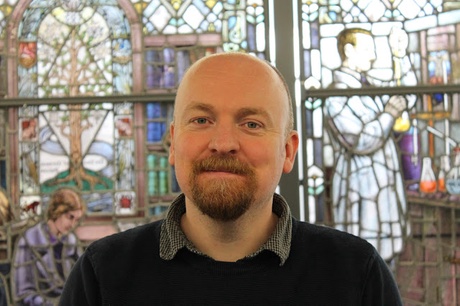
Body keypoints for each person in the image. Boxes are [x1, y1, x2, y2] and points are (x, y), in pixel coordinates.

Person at [59, 52, 402, 305]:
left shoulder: (356, 274)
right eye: (202, 120)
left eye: (251, 124)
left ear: (288, 150)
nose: (223, 144)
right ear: (174, 143)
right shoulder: (101, 275)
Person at [324, 28, 412, 261]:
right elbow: (359, 141)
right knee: (361, 258)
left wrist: (401, 56)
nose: (373, 56)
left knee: (386, 257)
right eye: (368, 49)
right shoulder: (335, 96)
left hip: (384, 184)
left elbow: (407, 97)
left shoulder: (369, 86)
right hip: (360, 186)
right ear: (348, 51)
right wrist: (388, 115)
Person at [12, 187, 85, 306]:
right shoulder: (29, 239)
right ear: (57, 211)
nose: (73, 225)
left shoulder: (71, 241)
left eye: (76, 220)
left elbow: (83, 279)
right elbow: (23, 292)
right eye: (70, 217)